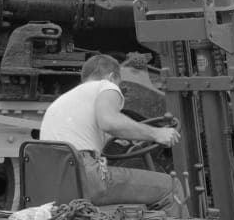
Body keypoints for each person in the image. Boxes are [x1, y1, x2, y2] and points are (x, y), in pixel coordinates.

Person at [39, 54, 183, 210]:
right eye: (118, 84)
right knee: (171, 187)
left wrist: (131, 137)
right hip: (85, 176)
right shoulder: (106, 86)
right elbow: (109, 122)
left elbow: (103, 131)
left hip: (53, 182)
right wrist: (157, 134)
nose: (118, 88)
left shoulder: (64, 100)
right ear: (112, 76)